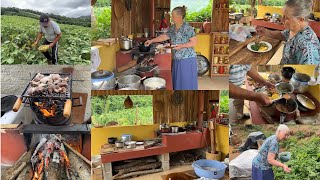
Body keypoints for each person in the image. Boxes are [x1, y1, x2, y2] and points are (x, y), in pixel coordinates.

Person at [145, 6, 198, 90]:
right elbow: (165, 36)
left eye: (173, 16)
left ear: (180, 17)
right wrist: (152, 41)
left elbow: (194, 42)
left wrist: (181, 46)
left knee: (186, 84)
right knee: (177, 83)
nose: (171, 17)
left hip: (187, 60)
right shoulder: (173, 27)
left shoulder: (187, 28)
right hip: (177, 59)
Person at [257, 0, 320, 65]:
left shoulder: (306, 46)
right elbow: (282, 35)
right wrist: (266, 32)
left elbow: (308, 73)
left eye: (286, 18)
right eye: (283, 16)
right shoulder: (294, 29)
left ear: (301, 19)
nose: (282, 20)